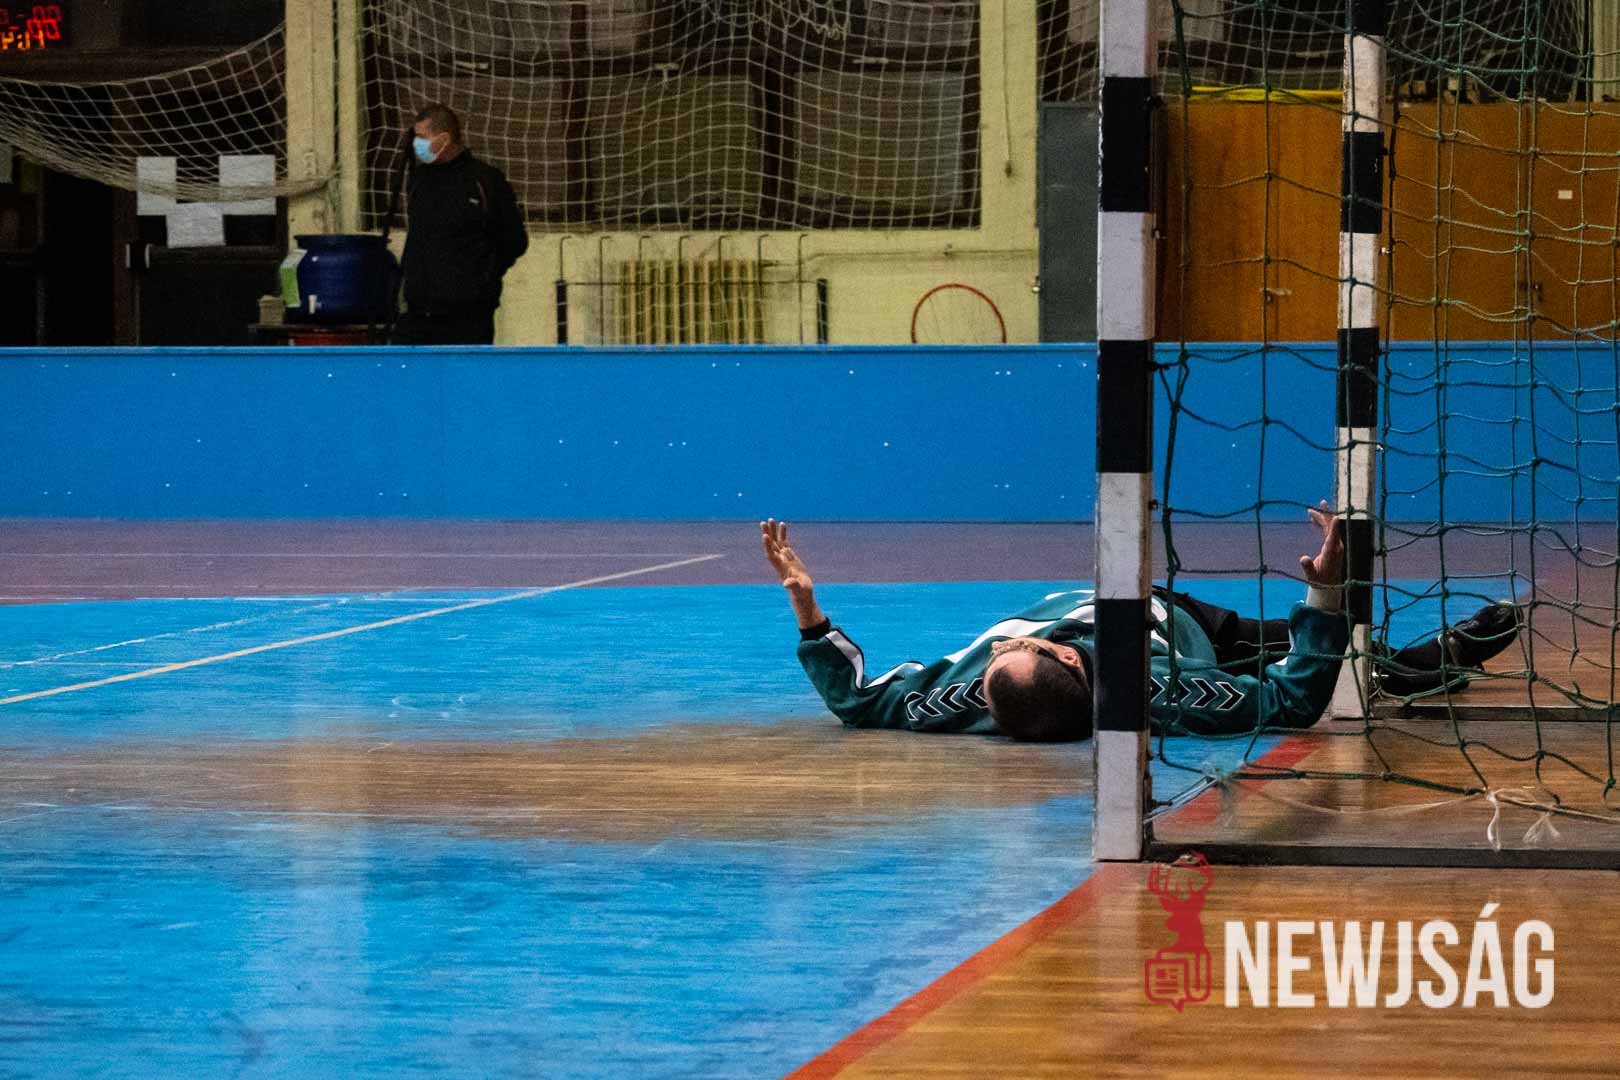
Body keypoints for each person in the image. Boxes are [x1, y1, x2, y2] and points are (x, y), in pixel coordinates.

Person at [760, 509, 1520, 742]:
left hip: (1146, 607)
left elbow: (858, 702)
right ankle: (1443, 656)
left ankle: (1405, 657)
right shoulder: (1159, 691)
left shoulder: (961, 697)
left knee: (1326, 648)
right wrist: (1324, 597)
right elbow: (1293, 702)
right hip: (1185, 632)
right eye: (1016, 647)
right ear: (1065, 657)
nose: (1007, 643)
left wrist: (808, 612)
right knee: (1340, 659)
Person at [394, 103, 529, 345]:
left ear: (444, 139)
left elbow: (514, 241)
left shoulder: (485, 180)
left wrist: (480, 278)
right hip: (418, 312)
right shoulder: (419, 179)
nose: (416, 145)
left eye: (423, 138)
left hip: (468, 315)